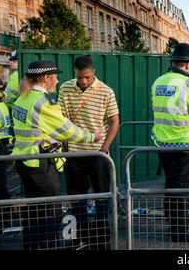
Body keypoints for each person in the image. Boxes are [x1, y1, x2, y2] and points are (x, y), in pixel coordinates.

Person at [11, 59, 102, 250]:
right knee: (49, 213)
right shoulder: (44, 102)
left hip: (24, 161)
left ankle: (32, 247)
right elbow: (67, 131)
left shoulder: (23, 98)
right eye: (55, 77)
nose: (58, 81)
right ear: (46, 77)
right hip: (41, 164)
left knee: (33, 212)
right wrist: (92, 136)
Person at [151, 43, 189, 243]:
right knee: (182, 191)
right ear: (188, 65)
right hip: (183, 145)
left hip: (162, 143)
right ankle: (179, 232)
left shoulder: (158, 81)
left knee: (171, 187)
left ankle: (173, 228)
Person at [58, 55, 119, 250]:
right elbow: (63, 120)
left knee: (102, 197)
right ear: (74, 73)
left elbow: (114, 121)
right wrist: (67, 148)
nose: (83, 81)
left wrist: (103, 149)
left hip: (98, 155)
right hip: (74, 155)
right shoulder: (65, 88)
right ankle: (79, 238)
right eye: (79, 77)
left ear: (93, 72)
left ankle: (102, 237)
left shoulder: (106, 91)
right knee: (77, 198)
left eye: (86, 77)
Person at [0, 77, 13, 232]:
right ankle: (3, 219)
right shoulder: (2, 104)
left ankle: (1, 220)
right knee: (0, 185)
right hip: (1, 147)